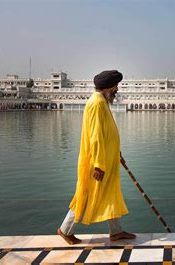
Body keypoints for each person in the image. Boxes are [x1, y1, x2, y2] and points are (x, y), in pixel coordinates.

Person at [57, 70, 135, 245]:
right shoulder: (97, 103)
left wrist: (116, 154)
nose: (117, 89)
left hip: (107, 159)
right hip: (97, 163)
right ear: (108, 87)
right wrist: (99, 165)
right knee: (85, 194)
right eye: (115, 86)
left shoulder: (102, 101)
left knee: (110, 193)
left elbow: (106, 133)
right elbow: (96, 136)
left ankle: (116, 232)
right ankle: (65, 230)